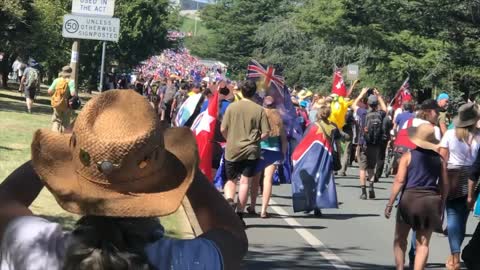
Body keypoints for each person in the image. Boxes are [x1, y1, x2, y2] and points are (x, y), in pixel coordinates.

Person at [0, 90, 248, 270]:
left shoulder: (36, 249)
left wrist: (61, 152)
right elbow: (232, 236)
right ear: (159, 181)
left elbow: (6, 199)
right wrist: (185, 168)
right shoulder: (184, 260)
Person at [385, 123, 448, 270]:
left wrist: (390, 203)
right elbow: (445, 185)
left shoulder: (408, 156)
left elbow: (399, 181)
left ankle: (400, 268)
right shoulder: (440, 160)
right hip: (431, 201)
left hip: (409, 200)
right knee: (423, 243)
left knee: (400, 239)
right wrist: (442, 204)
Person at [221, 80, 270, 226]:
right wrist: (255, 141)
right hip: (251, 150)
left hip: (233, 148)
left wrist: (230, 139)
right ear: (254, 92)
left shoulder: (232, 107)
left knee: (230, 180)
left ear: (241, 91)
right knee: (245, 182)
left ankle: (230, 201)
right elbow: (266, 132)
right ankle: (240, 214)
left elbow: (223, 129)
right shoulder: (259, 109)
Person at [438, 103, 480, 270]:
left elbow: (442, 158)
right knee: (462, 219)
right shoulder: (478, 136)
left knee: (453, 218)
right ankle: (454, 254)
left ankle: (455, 256)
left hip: (453, 176)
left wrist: (440, 182)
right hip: (472, 179)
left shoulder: (449, 134)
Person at [248, 96, 288, 218]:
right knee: (268, 180)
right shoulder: (279, 118)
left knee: (255, 179)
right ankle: (264, 210)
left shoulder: (259, 115)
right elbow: (284, 140)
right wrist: (283, 155)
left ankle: (253, 206)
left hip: (260, 149)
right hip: (274, 151)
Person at [352, 88, 388, 200]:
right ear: (376, 104)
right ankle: (371, 188)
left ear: (367, 103)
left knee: (362, 168)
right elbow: (385, 109)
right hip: (375, 144)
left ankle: (363, 192)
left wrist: (361, 94)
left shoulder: (363, 113)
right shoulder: (380, 114)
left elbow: (353, 105)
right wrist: (379, 96)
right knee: (371, 167)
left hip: (364, 143)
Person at [47, 66, 76, 133]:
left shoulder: (56, 80)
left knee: (56, 120)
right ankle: (63, 137)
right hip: (66, 105)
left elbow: (49, 91)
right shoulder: (71, 81)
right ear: (70, 73)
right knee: (65, 122)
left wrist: (56, 94)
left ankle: (55, 135)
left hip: (57, 103)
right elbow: (72, 94)